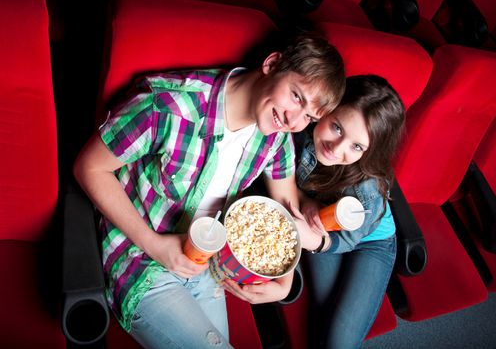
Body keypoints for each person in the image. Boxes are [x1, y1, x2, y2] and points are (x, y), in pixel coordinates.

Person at [73, 32, 345, 349]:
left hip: (207, 262)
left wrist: (284, 282)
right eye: (296, 96)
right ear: (272, 64)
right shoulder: (168, 106)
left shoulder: (278, 139)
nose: (293, 120)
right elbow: (88, 167)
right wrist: (154, 245)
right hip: (141, 254)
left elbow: (286, 213)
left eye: (310, 117)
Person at [291, 75, 405, 348]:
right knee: (323, 314)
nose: (336, 149)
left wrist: (316, 242)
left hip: (369, 243)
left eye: (357, 146)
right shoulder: (300, 129)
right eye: (337, 127)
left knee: (337, 340)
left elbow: (347, 239)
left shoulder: (368, 190)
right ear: (327, 110)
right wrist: (306, 201)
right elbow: (278, 175)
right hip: (324, 222)